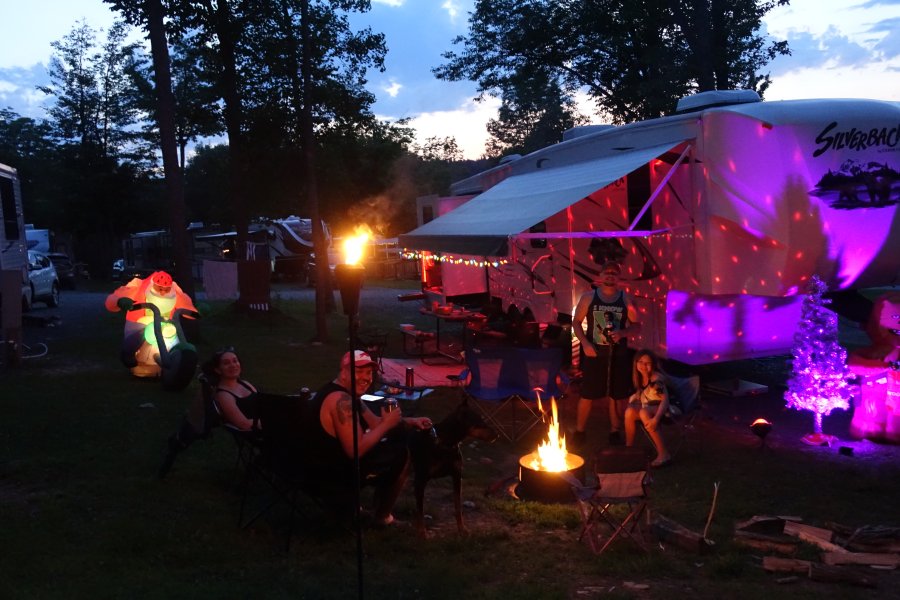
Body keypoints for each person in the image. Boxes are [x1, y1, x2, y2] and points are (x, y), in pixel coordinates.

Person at [304, 350, 433, 525]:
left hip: (325, 465)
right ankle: (382, 516)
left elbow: (375, 423)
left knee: (395, 442)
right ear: (343, 373)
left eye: (368, 373)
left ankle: (368, 508)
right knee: (403, 454)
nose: (365, 378)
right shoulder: (341, 400)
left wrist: (410, 421)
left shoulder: (348, 396)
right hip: (333, 475)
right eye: (358, 372)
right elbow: (355, 451)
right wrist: (387, 424)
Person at [571, 261, 640, 449]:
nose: (610, 276)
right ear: (600, 276)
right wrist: (585, 343)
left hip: (618, 354)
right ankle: (579, 430)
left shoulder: (626, 299)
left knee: (616, 395)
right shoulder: (588, 298)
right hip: (594, 352)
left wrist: (624, 333)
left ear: (619, 278)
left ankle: (614, 431)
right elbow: (576, 322)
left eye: (614, 273)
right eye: (606, 273)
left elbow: (637, 324)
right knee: (588, 393)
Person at [105, 270, 198, 374]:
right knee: (142, 335)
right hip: (140, 324)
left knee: (174, 337)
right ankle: (129, 353)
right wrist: (119, 301)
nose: (163, 292)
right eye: (160, 289)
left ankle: (177, 358)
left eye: (166, 290)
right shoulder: (138, 285)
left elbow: (186, 305)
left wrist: (196, 312)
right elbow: (113, 299)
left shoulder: (174, 291)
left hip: (166, 325)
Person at [624, 350, 672, 467]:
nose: (643, 366)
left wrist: (655, 419)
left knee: (644, 412)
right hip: (652, 406)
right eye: (640, 362)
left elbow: (665, 400)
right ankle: (628, 449)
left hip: (668, 409)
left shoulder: (656, 380)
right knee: (630, 412)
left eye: (647, 363)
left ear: (653, 364)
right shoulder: (640, 378)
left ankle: (664, 454)